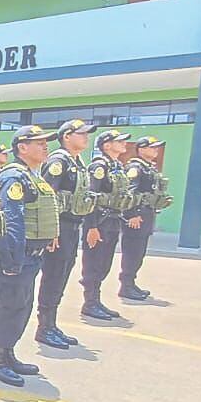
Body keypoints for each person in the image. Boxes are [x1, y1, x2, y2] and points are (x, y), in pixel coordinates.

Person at [0, 126, 60, 386]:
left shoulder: (33, 175)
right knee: (10, 308)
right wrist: (12, 260)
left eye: (45, 142)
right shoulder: (14, 177)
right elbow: (11, 220)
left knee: (22, 307)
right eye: (38, 143)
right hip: (17, 257)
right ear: (22, 147)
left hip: (31, 256)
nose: (45, 146)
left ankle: (8, 354)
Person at [36, 119, 97, 349]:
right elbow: (47, 196)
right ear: (67, 136)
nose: (85, 137)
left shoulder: (77, 162)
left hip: (72, 226)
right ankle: (44, 327)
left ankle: (51, 324)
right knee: (53, 275)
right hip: (59, 227)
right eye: (81, 134)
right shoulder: (58, 161)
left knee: (62, 274)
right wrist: (51, 230)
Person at [80, 129, 135, 320]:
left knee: (104, 264)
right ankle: (90, 302)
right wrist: (92, 226)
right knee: (94, 264)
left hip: (113, 220)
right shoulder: (99, 166)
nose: (124, 144)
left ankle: (96, 300)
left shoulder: (117, 166)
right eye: (119, 141)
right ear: (106, 145)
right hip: (99, 221)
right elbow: (91, 198)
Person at [119, 135, 173, 301]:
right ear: (141, 149)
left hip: (146, 215)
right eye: (152, 147)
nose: (155, 150)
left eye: (156, 147)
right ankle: (126, 286)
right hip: (137, 216)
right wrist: (131, 214)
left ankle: (131, 283)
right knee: (132, 252)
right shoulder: (136, 168)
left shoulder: (149, 167)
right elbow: (130, 191)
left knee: (139, 252)